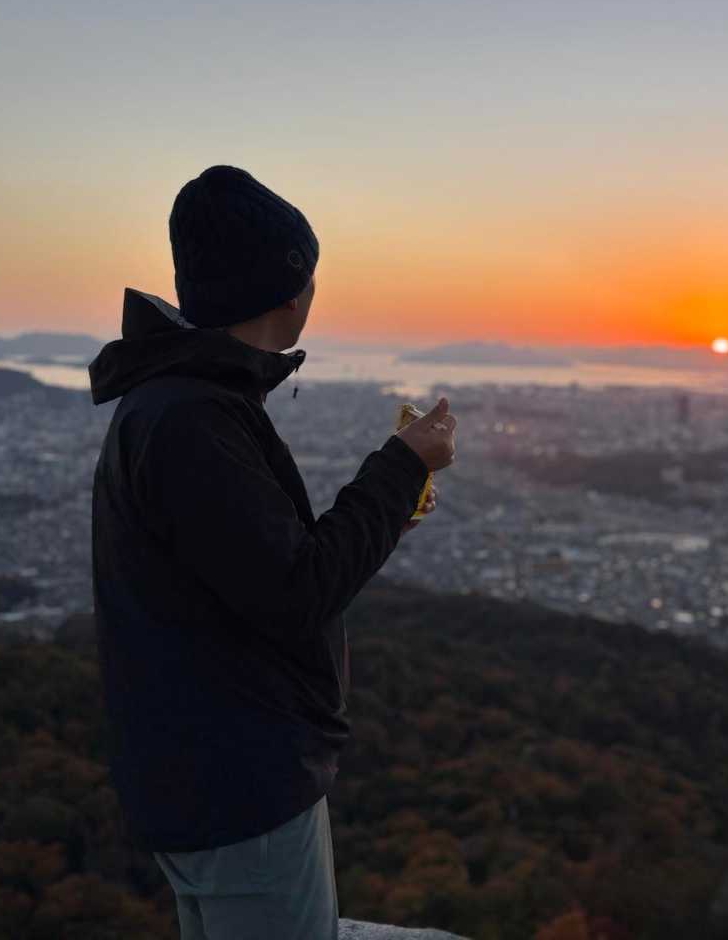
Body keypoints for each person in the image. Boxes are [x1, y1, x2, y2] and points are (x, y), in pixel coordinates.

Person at [87, 165, 457, 940]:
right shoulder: (194, 420)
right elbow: (297, 592)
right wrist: (402, 467)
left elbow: (260, 568)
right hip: (237, 781)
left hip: (203, 770)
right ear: (289, 291)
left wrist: (386, 513)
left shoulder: (179, 399)